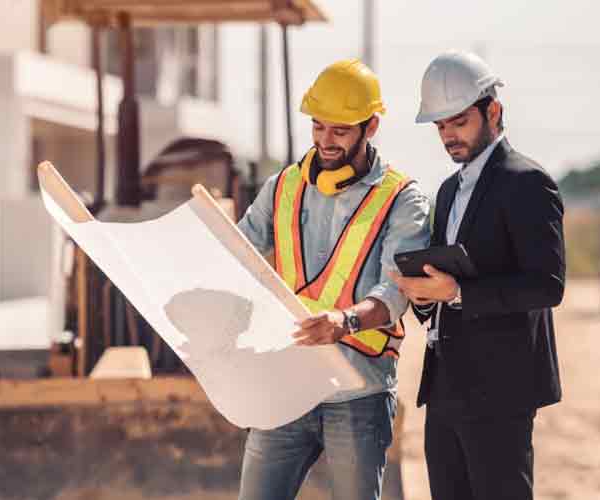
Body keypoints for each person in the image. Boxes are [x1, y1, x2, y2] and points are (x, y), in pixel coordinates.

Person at [235, 58, 430, 500]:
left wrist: (345, 321)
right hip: (285, 386)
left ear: (371, 127)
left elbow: (395, 292)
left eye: (339, 131)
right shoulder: (283, 187)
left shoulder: (402, 200)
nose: (326, 141)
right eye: (318, 128)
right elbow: (238, 255)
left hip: (358, 393)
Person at [389, 50, 566, 500]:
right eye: (440, 126)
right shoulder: (448, 191)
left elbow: (548, 284)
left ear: (494, 111)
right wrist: (426, 296)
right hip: (446, 385)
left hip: (502, 391)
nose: (449, 135)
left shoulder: (528, 182)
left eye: (459, 121)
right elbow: (448, 284)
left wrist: (460, 293)